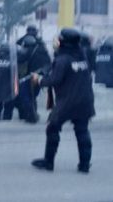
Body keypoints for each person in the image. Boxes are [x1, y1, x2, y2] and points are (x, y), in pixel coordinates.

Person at [31, 29, 95, 173]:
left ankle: (49, 161)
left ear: (64, 42)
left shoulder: (63, 59)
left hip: (68, 101)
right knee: (82, 130)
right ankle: (84, 165)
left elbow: (55, 79)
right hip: (85, 99)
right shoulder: (81, 55)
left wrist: (39, 80)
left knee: (52, 128)